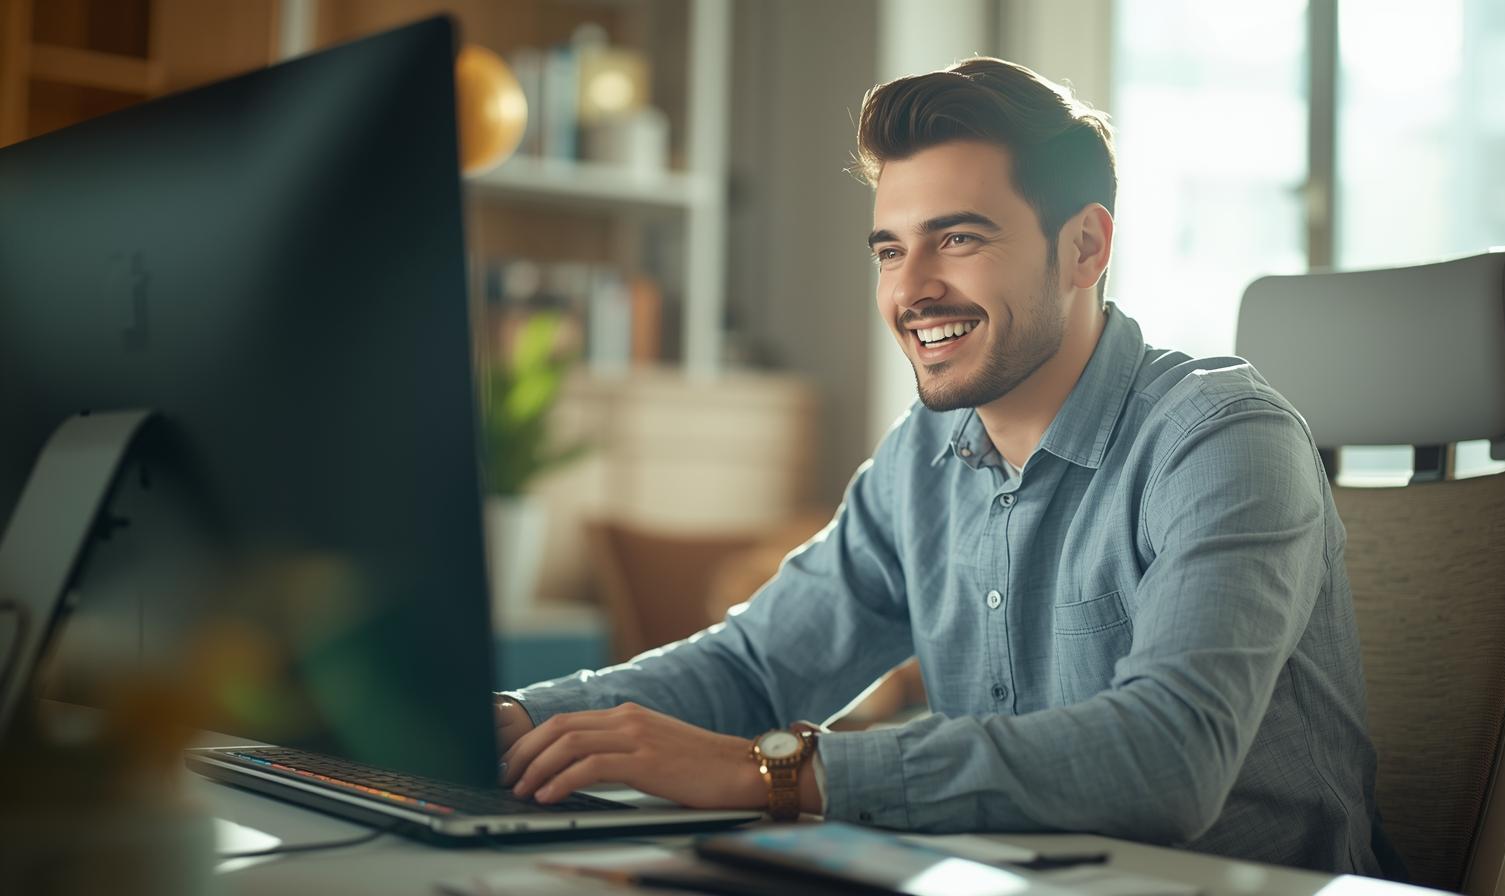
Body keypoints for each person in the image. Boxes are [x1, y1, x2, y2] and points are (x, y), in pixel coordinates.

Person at [493, 56, 1399, 877]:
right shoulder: (923, 457)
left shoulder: (1221, 438)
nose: (911, 286)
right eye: (891, 248)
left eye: (958, 239)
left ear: (1085, 247)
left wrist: (769, 773)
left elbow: (1169, 758)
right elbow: (758, 669)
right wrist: (520, 722)